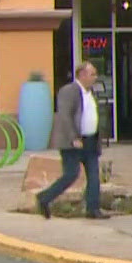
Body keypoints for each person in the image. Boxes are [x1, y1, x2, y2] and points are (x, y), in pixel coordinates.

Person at [35, 62, 108, 219]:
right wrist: (73, 137)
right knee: (71, 174)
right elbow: (65, 116)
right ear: (81, 75)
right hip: (73, 142)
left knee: (94, 175)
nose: (95, 77)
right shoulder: (69, 91)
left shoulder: (90, 92)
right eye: (92, 74)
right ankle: (44, 198)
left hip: (90, 141)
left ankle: (93, 209)